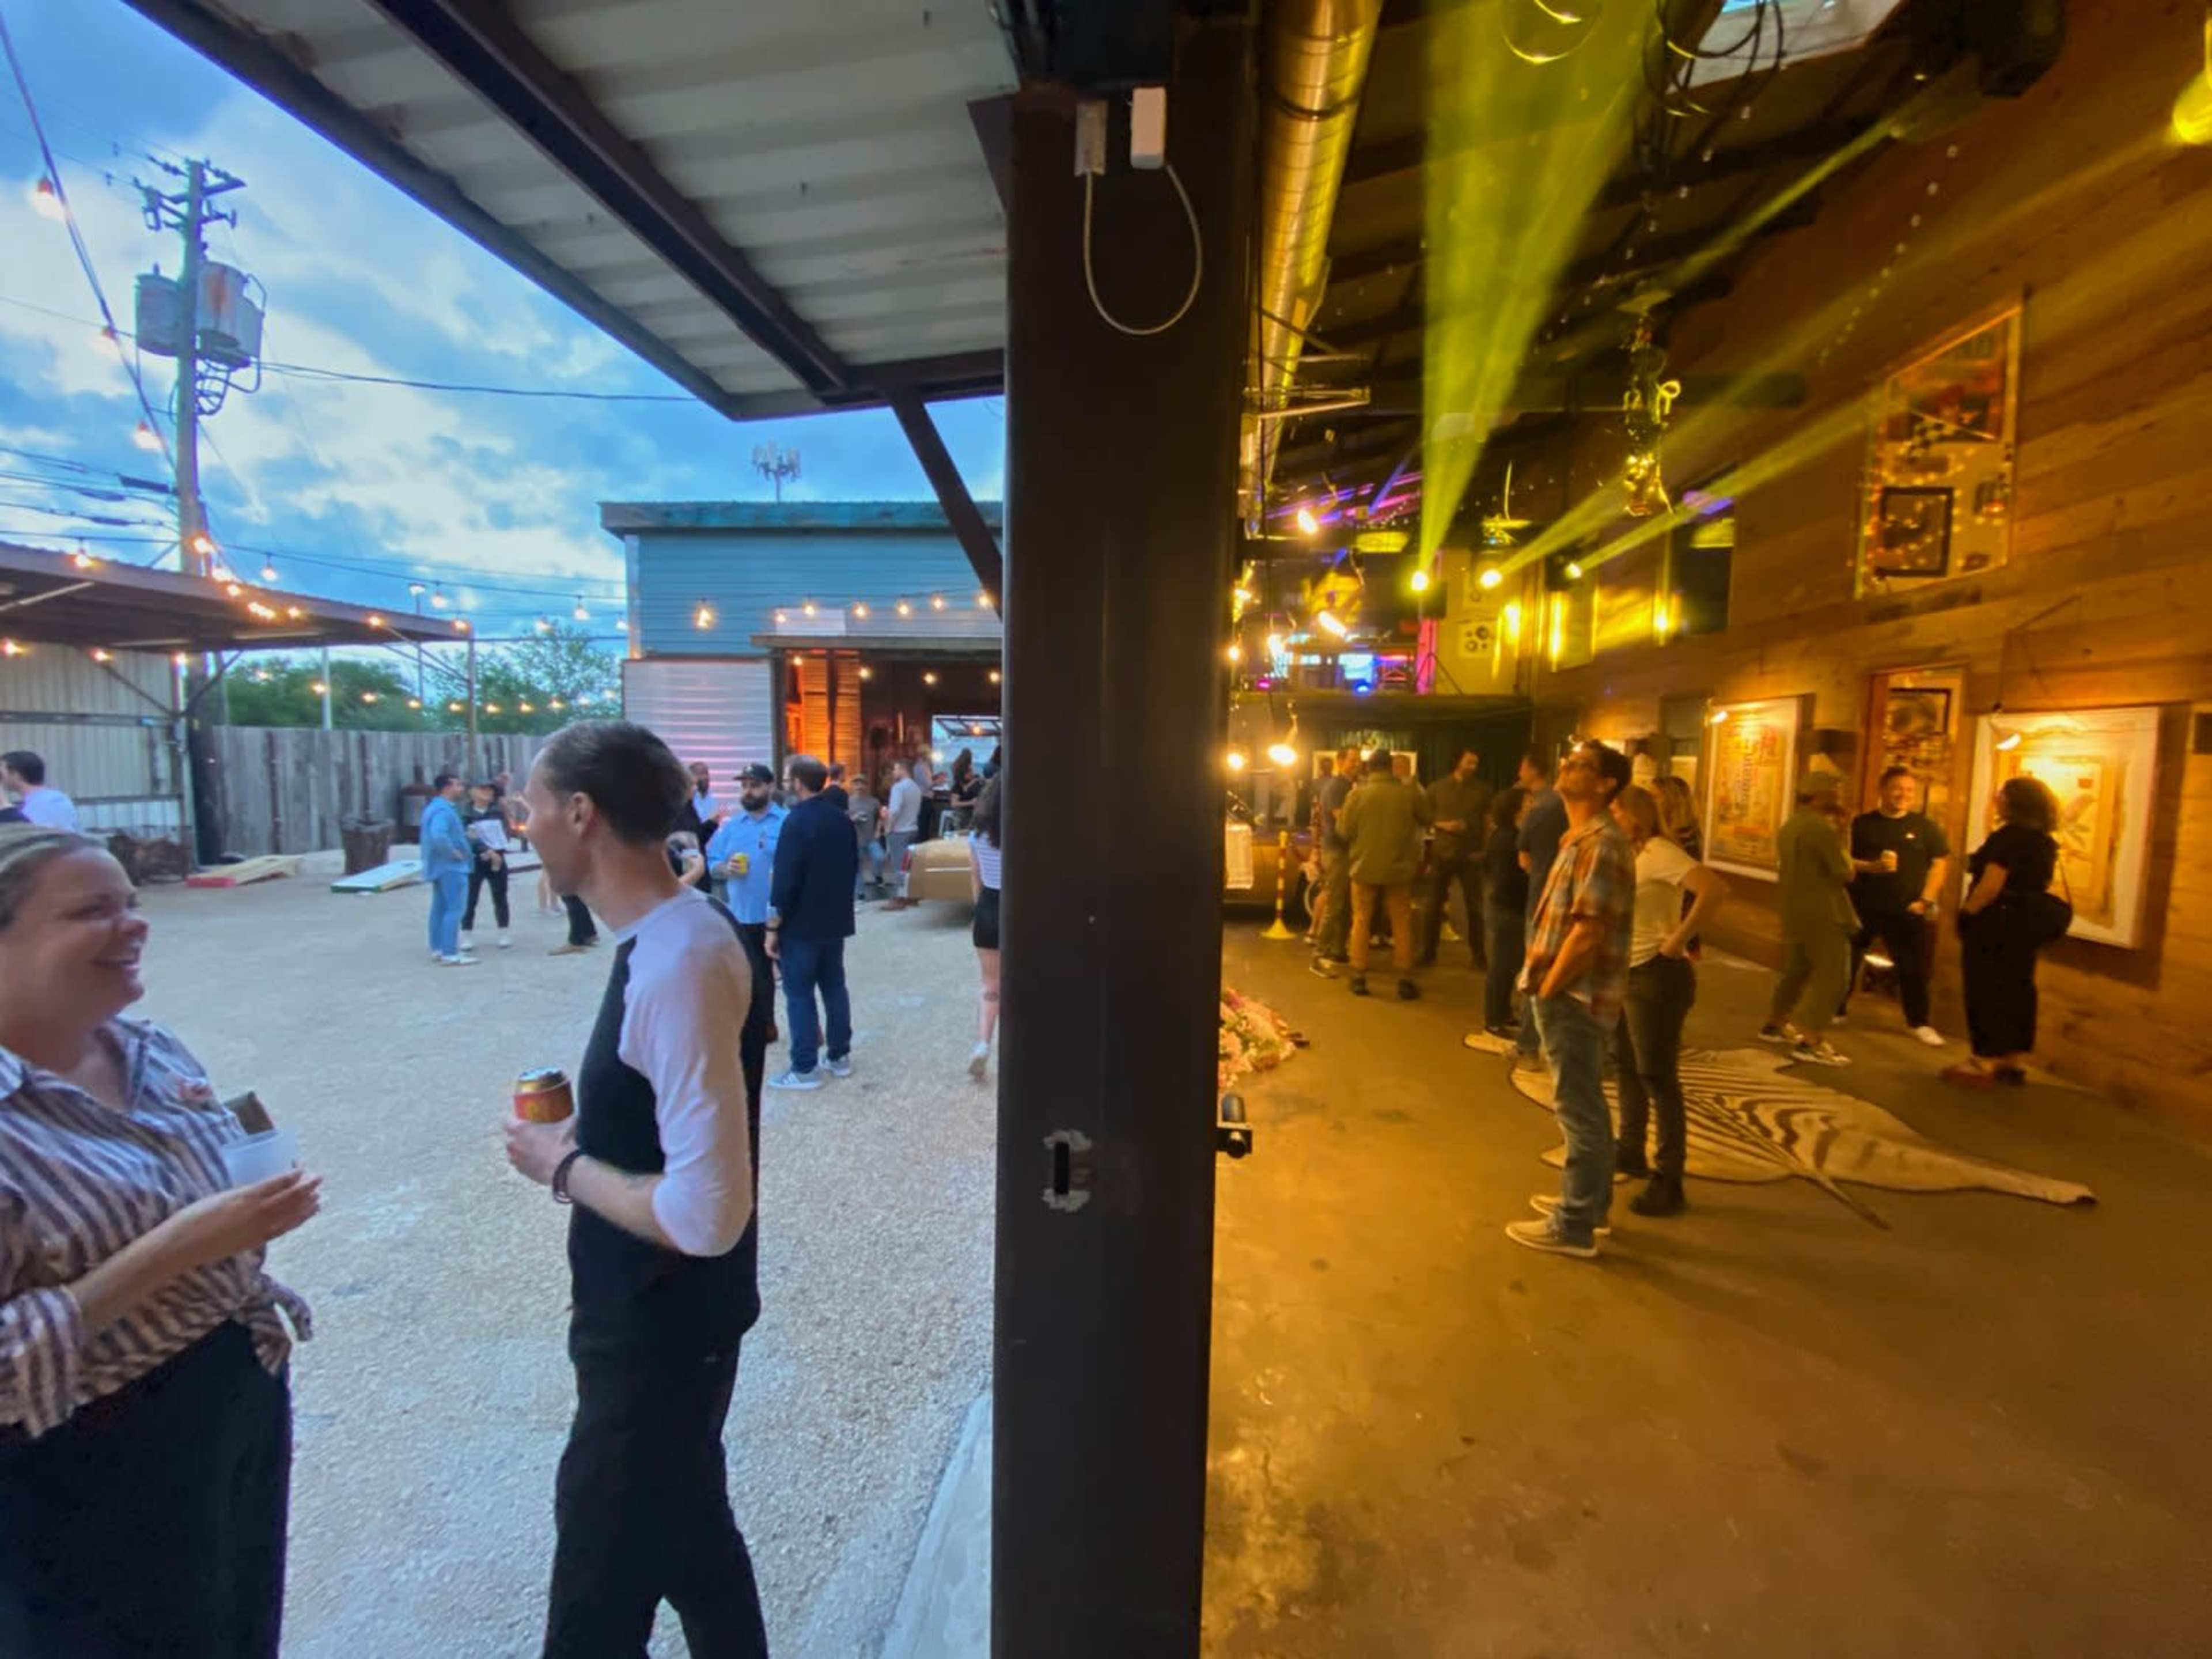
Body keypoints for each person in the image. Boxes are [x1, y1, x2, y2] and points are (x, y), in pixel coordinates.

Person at [0, 824, 321, 1656]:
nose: (134, 925)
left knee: (238, 1624)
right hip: (89, 1460)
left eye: (132, 905)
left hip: (234, 1392)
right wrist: (180, 1246)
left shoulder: (148, 1049)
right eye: (92, 911)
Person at [499, 721, 768, 1658]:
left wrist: (562, 1167)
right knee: (695, 1540)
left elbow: (705, 1215)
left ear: (582, 815)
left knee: (595, 1602)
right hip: (670, 1327)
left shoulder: (678, 961)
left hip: (656, 1333)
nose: (521, 827)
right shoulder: (681, 934)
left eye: (529, 809)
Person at [1506, 740, 1634, 1260]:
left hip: (1576, 996)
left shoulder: (1602, 843)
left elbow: (1589, 932)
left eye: (1581, 765)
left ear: (1606, 784)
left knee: (1578, 1109)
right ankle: (1590, 1206)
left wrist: (1551, 986)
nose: (1567, 769)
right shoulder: (1579, 837)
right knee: (1582, 1106)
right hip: (1564, 990)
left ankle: (1575, 1223)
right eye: (1568, 761)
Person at [1608, 784, 1729, 1217]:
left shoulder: (1660, 851)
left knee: (1657, 1076)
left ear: (1634, 815)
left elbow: (1713, 889)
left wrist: (1680, 938)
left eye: (1616, 813)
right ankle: (1629, 1147)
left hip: (1655, 976)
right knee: (1625, 1065)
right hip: (1625, 973)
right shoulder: (1631, 854)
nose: (1610, 820)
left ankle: (1670, 1177)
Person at [1945, 777, 2062, 1089]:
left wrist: (1968, 912)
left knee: (1985, 987)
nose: (1996, 800)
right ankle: (2013, 1059)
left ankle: (1984, 1058)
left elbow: (1992, 883)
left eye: (2001, 796)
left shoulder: (2008, 838)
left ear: (2013, 802)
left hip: (1995, 923)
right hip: (2025, 925)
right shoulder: (2043, 840)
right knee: (2019, 988)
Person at [766, 755, 859, 1091]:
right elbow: (853, 867)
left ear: (798, 782)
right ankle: (839, 1055)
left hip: (801, 923)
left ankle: (805, 1066)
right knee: (835, 987)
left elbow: (785, 881)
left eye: (790, 778)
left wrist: (773, 926)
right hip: (835, 919)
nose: (787, 784)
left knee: (799, 992)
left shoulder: (795, 822)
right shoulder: (841, 820)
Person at [1843, 766, 1951, 1047]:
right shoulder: (1863, 824)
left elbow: (1939, 865)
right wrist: (1871, 867)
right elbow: (1842, 860)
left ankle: (1919, 1022)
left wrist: (1925, 900)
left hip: (1907, 909)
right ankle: (1835, 1009)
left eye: (1909, 790)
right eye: (1897, 788)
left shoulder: (1925, 828)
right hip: (1863, 905)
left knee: (1912, 968)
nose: (1903, 795)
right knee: (1847, 960)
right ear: (1883, 790)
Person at [1758, 775, 1857, 1066]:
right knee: (1834, 976)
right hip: (1824, 912)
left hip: (1795, 909)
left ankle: (1775, 1022)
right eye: (1836, 791)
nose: (1840, 796)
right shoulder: (1821, 829)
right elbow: (1845, 871)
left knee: (1797, 970)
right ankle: (1811, 1039)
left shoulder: (1792, 825)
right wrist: (1845, 830)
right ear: (1820, 796)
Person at [1339, 748, 1433, 1001]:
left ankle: (1358, 976)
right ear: (1391, 767)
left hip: (1364, 867)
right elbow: (1428, 818)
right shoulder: (1408, 794)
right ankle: (1405, 979)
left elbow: (1344, 832)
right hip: (1400, 869)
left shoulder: (1357, 795)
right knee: (1401, 922)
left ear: (1369, 768)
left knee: (1361, 920)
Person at [1511, 751, 1568, 1071]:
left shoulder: (1541, 809)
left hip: (1542, 902)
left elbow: (1524, 859)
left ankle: (1529, 1047)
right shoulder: (1580, 818)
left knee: (1534, 974)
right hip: (1573, 906)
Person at [706, 765, 786, 974]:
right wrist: (725, 869)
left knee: (793, 986)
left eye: (755, 785)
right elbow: (712, 862)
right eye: (744, 786)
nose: (748, 791)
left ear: (771, 787)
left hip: (782, 919)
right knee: (755, 986)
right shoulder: (732, 826)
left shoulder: (788, 822)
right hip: (744, 917)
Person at [1419, 747, 1493, 970]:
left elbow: (1489, 822)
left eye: (1475, 764)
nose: (1473, 767)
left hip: (1470, 855)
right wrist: (1444, 825)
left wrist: (1485, 849)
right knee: (1433, 906)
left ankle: (1479, 956)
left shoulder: (1482, 790)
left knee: (1475, 908)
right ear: (1457, 762)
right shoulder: (1436, 789)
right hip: (1442, 853)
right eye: (1469, 762)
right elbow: (1425, 817)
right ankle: (1428, 953)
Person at [1475, 786, 1529, 1039]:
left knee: (1505, 965)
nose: (1534, 806)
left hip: (1504, 905)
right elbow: (1507, 877)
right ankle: (1494, 1020)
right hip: (1508, 907)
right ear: (1516, 808)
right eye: (1529, 802)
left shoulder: (1507, 835)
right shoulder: (1509, 838)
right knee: (1502, 966)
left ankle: (1503, 1013)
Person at [1308, 746, 1362, 976]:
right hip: (1337, 851)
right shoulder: (1335, 787)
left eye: (1359, 760)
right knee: (1335, 903)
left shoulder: (1355, 785)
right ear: (1340, 762)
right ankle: (1318, 958)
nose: (1357, 764)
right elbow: (1342, 820)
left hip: (1350, 851)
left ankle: (1339, 950)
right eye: (1352, 760)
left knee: (1348, 905)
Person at [419, 770, 476, 967]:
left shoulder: (433, 808)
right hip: (452, 868)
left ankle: (438, 948)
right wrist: (454, 852)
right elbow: (438, 836)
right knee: (455, 909)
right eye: (458, 785)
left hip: (438, 867)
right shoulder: (444, 811)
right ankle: (450, 953)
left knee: (439, 908)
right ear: (448, 787)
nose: (461, 789)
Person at [968, 773, 1003, 1080]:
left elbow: (975, 877)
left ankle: (983, 1045)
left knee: (991, 986)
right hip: (1023, 911)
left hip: (990, 905)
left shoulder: (978, 835)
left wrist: (978, 910)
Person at [461, 781, 514, 952]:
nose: (488, 793)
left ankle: (503, 932)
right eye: (483, 789)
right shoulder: (465, 812)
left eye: (490, 790)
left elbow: (506, 830)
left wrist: (499, 851)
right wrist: (484, 850)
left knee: (500, 896)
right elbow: (468, 835)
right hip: (475, 860)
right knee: (470, 898)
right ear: (472, 792)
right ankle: (467, 934)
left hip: (498, 858)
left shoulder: (497, 811)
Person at [0, 750, 77, 830]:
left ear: (16, 775)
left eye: (1, 774)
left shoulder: (49, 803)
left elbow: (29, 835)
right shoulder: (44, 800)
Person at [882, 760, 923, 908]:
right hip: (913, 828)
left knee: (899, 865)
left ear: (902, 769)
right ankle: (912, 895)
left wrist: (888, 827)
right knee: (911, 865)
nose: (894, 773)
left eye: (895, 769)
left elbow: (895, 810)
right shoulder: (916, 788)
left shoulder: (898, 788)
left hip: (899, 830)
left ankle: (898, 898)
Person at [847, 768, 887, 900]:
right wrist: (853, 818)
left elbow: (881, 816)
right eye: (857, 784)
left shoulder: (873, 802)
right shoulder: (848, 802)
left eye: (862, 784)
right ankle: (860, 893)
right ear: (853, 786)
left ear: (866, 786)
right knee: (857, 867)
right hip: (855, 838)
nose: (859, 787)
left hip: (871, 837)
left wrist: (878, 830)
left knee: (880, 857)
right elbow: (843, 819)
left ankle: (878, 875)